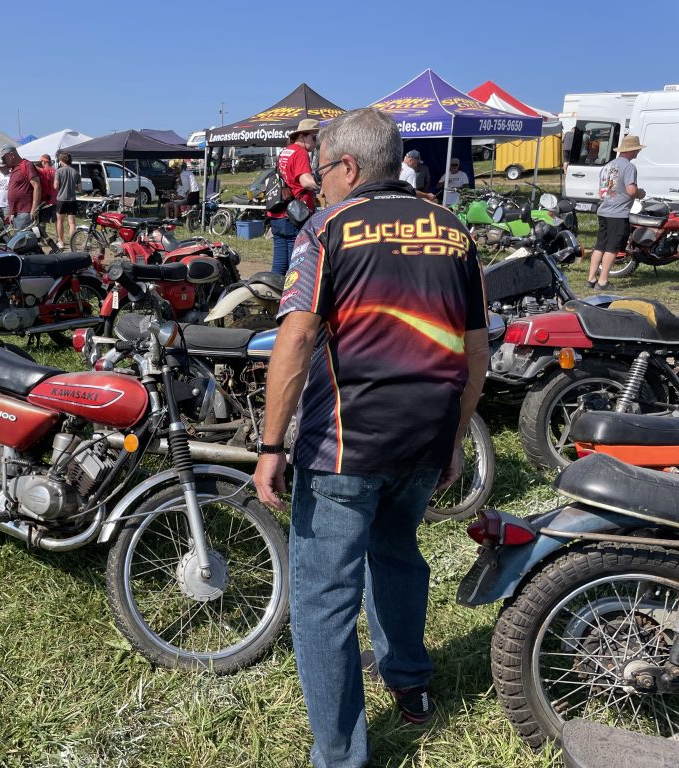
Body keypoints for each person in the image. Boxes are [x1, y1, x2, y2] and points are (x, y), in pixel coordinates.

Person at [252, 107, 488, 768]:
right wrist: (453, 439)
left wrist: (271, 446)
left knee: (326, 598)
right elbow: (477, 353)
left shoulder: (328, 227)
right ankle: (410, 686)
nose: (318, 183)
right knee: (398, 557)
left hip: (346, 445)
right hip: (425, 438)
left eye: (322, 171)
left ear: (348, 167)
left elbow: (296, 337)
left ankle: (338, 755)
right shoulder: (453, 229)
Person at [587, 134, 646, 289]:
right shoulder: (629, 167)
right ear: (632, 151)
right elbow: (631, 190)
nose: (638, 153)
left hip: (604, 209)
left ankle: (591, 278)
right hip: (618, 213)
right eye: (637, 150)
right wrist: (641, 193)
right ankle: (603, 281)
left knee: (600, 246)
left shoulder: (607, 166)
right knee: (612, 248)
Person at [267, 118, 320, 274]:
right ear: (302, 136)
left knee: (279, 265)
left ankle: (273, 296)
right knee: (295, 264)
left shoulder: (286, 151)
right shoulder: (301, 153)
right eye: (314, 137)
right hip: (294, 216)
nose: (316, 142)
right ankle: (291, 297)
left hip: (278, 212)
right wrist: (322, 185)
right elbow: (304, 181)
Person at [0, 144, 41, 230]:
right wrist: (12, 213)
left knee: (25, 241)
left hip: (25, 213)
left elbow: (37, 186)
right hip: (17, 213)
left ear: (11, 155)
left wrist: (34, 209)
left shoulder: (27, 165)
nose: (3, 161)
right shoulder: (14, 169)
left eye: (4, 158)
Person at [53, 151, 81, 247]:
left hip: (61, 199)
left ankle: (60, 241)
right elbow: (80, 189)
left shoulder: (59, 171)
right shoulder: (76, 172)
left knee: (60, 221)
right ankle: (72, 243)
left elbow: (55, 186)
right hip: (72, 200)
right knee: (72, 223)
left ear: (61, 160)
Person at [37, 154, 57, 224]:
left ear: (44, 161)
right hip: (55, 199)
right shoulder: (55, 171)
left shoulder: (43, 171)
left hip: (45, 200)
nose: (41, 163)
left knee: (42, 222)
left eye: (41, 161)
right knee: (55, 222)